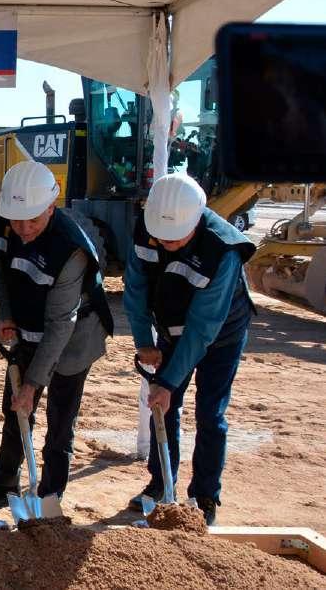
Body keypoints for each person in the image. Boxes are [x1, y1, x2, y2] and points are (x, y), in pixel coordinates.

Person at [0, 162, 113, 510]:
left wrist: (32, 384)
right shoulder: (4, 224)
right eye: (17, 220)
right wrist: (6, 315)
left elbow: (61, 324)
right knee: (15, 412)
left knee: (60, 421)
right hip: (28, 330)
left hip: (75, 337)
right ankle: (4, 484)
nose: (23, 229)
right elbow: (1, 274)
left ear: (51, 206)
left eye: (32, 220)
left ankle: (49, 496)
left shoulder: (71, 249)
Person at [124, 172, 255, 525]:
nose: (165, 242)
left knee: (210, 413)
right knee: (162, 408)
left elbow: (201, 329)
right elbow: (135, 288)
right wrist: (143, 342)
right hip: (171, 329)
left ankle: (205, 496)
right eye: (161, 237)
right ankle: (160, 484)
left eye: (175, 238)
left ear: (196, 220)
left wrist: (168, 381)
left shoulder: (223, 249)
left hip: (221, 335)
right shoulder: (148, 228)